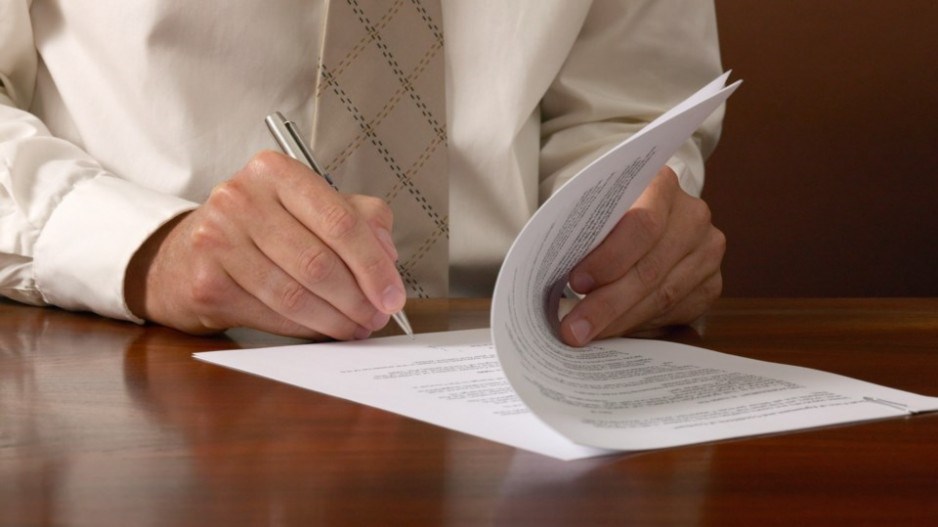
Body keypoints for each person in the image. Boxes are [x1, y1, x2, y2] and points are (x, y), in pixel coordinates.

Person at [0, 0, 726, 346]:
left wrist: (626, 227)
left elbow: (630, 102)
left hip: (526, 370)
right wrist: (147, 248)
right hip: (142, 353)